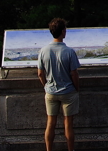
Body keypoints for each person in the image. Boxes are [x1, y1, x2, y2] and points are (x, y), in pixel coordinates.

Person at [37, 18, 81, 151]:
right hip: (68, 91)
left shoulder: (43, 51)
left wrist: (46, 86)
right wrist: (76, 88)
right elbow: (74, 73)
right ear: (63, 32)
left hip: (51, 91)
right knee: (68, 124)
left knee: (50, 123)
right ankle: (70, 149)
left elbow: (40, 73)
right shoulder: (69, 51)